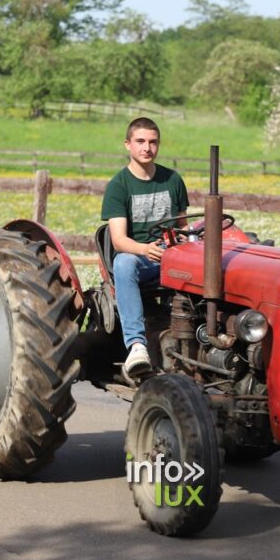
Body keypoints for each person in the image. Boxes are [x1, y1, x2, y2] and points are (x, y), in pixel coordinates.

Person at [101, 117, 189, 377]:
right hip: (140, 257)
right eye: (140, 141)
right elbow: (118, 240)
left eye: (152, 142)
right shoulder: (119, 186)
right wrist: (144, 249)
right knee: (123, 262)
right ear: (128, 144)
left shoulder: (172, 179)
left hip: (171, 253)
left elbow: (183, 225)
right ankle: (137, 346)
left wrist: (181, 241)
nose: (147, 148)